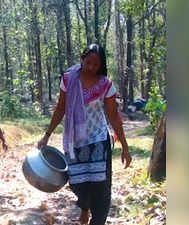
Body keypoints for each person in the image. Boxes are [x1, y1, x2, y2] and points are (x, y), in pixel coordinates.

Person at [37, 44, 132, 225]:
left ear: (101, 65)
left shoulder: (105, 84)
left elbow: (113, 115)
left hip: (98, 140)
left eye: (95, 65)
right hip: (75, 142)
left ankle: (98, 220)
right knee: (78, 183)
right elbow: (61, 108)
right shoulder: (68, 79)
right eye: (88, 62)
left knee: (101, 188)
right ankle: (84, 208)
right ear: (82, 59)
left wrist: (125, 148)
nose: (90, 67)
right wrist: (47, 135)